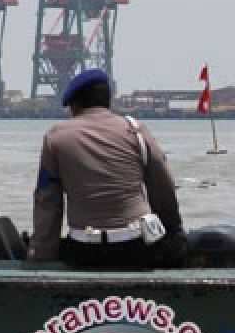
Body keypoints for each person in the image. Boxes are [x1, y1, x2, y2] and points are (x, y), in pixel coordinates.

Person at [29, 68, 187, 267]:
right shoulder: (136, 130)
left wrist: (41, 254)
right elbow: (163, 188)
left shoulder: (56, 137)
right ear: (108, 101)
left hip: (84, 251)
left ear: (74, 105)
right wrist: (174, 232)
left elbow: (47, 201)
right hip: (138, 246)